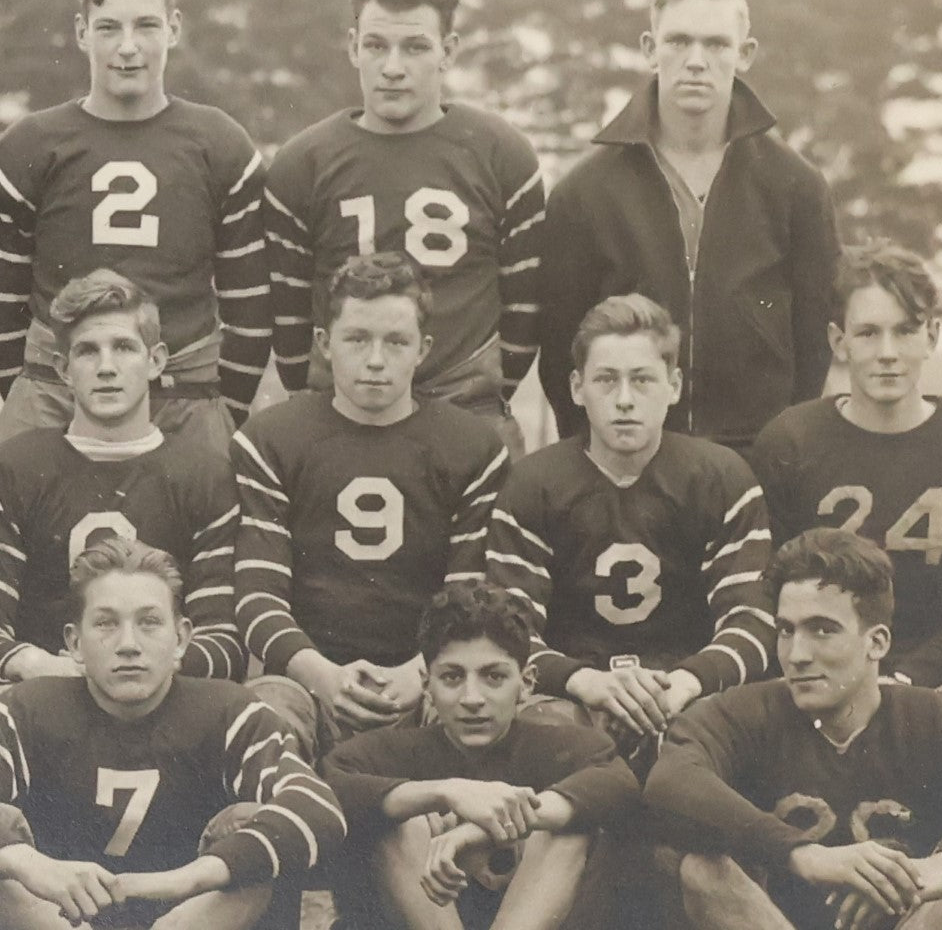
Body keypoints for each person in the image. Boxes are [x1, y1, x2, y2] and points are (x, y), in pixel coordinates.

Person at [0, 535, 346, 930]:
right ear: (74, 643)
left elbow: (320, 808)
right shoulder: (29, 709)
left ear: (182, 638)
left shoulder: (229, 710)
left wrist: (191, 877)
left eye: (149, 622)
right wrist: (31, 865)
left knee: (251, 824)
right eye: (107, 623)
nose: (129, 643)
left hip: (189, 920)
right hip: (57, 920)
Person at [645, 527, 942, 930]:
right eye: (786, 630)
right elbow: (669, 781)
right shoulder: (741, 712)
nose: (797, 654)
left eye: (822, 630)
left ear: (876, 643)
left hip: (912, 919)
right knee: (703, 869)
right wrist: (804, 854)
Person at [0, 0, 270, 455]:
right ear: (81, 32)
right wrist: (36, 386)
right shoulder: (31, 146)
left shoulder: (219, 144)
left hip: (185, 391)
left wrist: (226, 410)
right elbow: (1, 303)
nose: (128, 46)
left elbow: (249, 307)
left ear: (174, 28)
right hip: (57, 390)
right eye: (109, 27)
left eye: (146, 26)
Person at [538, 0, 838, 449]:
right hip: (632, 458)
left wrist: (787, 449)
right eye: (678, 41)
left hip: (756, 456)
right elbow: (559, 352)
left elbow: (814, 342)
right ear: (649, 49)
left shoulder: (795, 186)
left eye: (716, 44)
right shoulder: (585, 192)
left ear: (745, 55)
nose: (696, 60)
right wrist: (592, 455)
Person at [262, 0, 544, 452]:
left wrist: (482, 390)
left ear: (449, 50)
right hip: (342, 413)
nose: (393, 67)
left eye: (414, 47)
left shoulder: (503, 155)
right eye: (376, 45)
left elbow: (524, 310)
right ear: (352, 47)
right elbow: (290, 325)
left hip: (465, 407)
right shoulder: (302, 164)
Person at [232, 252, 509, 755]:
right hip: (309, 678)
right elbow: (257, 593)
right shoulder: (272, 439)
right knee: (263, 717)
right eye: (357, 339)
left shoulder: (471, 447)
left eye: (396, 342)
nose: (376, 360)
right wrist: (321, 675)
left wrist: (420, 673)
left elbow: (471, 594)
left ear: (423, 348)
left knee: (485, 714)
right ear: (324, 343)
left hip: (427, 677)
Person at [486, 294, 774, 745]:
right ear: (577, 388)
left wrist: (683, 684)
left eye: (642, 380)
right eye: (606, 380)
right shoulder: (533, 484)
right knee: (540, 730)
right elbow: (508, 628)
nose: (624, 400)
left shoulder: (721, 478)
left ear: (674, 385)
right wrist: (587, 684)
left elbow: (753, 619)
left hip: (685, 694)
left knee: (728, 731)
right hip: (573, 700)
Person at [750, 242, 942, 706]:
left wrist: (908, 679)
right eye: (869, 333)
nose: (888, 352)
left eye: (906, 331)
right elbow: (765, 587)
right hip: (815, 673)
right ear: (839, 341)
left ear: (932, 336)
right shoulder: (790, 441)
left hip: (938, 681)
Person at [323, 581, 639, 930]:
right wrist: (449, 792)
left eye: (493, 676)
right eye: (452, 677)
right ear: (426, 685)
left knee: (565, 824)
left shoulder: (571, 747)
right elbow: (333, 784)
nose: (472, 697)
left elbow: (617, 785)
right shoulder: (390, 750)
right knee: (402, 822)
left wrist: (481, 829)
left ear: (527, 682)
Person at [0, 269, 243, 686]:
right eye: (87, 352)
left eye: (123, 347)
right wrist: (47, 667)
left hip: (162, 695)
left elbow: (222, 639)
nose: (106, 367)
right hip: (45, 691)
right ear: (63, 369)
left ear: (155, 361)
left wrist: (136, 672)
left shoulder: (204, 471)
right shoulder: (16, 466)